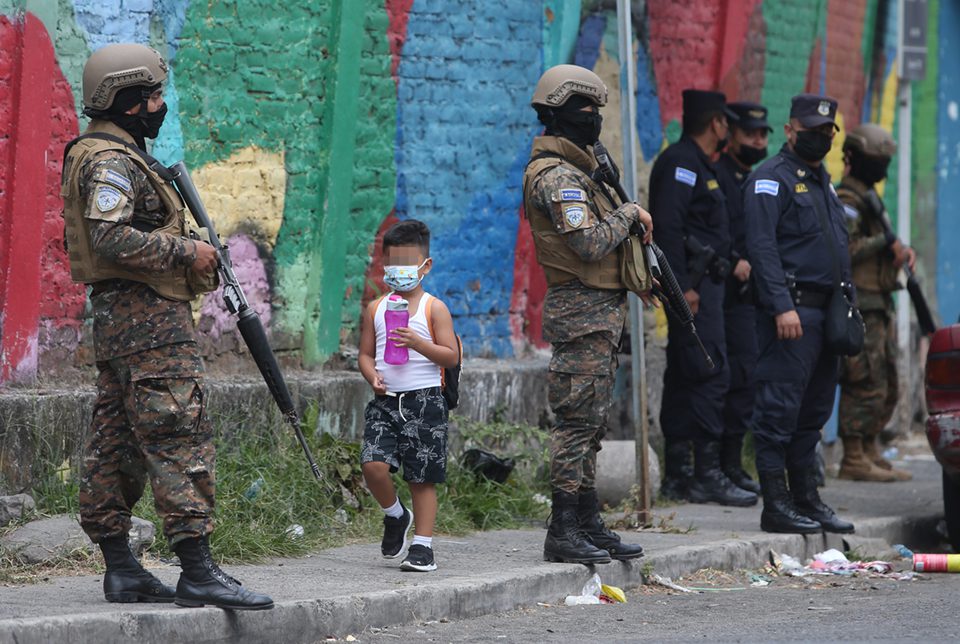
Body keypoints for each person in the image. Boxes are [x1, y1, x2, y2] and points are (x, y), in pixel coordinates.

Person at [64, 43, 273, 609]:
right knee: (179, 439)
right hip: (150, 329)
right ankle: (199, 571)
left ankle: (122, 569)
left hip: (125, 330)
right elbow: (109, 236)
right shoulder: (110, 161)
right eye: (151, 95)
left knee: (117, 444)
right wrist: (186, 253)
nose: (158, 105)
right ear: (127, 100)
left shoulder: (116, 156)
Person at [524, 64, 651, 564]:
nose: (593, 119)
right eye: (584, 110)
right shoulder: (556, 178)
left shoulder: (584, 171)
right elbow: (588, 242)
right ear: (555, 114)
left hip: (600, 313)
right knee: (575, 424)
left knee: (593, 425)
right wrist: (629, 213)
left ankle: (587, 520)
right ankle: (562, 528)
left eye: (597, 109)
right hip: (580, 314)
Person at [743, 93, 855, 534]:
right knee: (778, 411)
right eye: (812, 131)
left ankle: (807, 499)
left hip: (825, 317)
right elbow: (762, 247)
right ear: (790, 130)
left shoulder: (821, 179)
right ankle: (776, 503)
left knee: (813, 413)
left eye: (828, 132)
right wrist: (781, 305)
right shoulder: (770, 180)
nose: (822, 138)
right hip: (791, 314)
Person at [648, 89, 757, 507]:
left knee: (687, 374)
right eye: (726, 122)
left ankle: (681, 475)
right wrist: (683, 288)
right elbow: (668, 232)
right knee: (711, 373)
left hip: (708, 288)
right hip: (693, 289)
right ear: (717, 124)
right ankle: (705, 474)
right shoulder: (680, 164)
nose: (729, 129)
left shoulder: (699, 165)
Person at [359, 220, 459, 572]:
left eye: (407, 263)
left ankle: (423, 545)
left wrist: (420, 345)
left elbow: (451, 356)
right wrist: (372, 376)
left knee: (422, 476)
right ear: (384, 266)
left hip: (425, 402)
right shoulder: (377, 309)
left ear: (425, 266)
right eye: (393, 264)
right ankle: (395, 515)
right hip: (386, 403)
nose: (399, 272)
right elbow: (366, 354)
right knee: (372, 465)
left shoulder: (434, 309)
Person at [836, 124, 915, 482]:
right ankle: (853, 456)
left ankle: (869, 448)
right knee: (863, 379)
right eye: (876, 160)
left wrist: (897, 250)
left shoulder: (868, 196)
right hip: (860, 303)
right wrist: (885, 241)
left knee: (886, 381)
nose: (881, 167)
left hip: (878, 302)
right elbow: (846, 250)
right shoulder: (849, 200)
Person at [713, 101, 772, 495]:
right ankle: (718, 465)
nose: (758, 140)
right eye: (750, 133)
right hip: (724, 294)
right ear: (730, 133)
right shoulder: (717, 176)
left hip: (752, 299)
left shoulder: (757, 178)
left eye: (763, 134)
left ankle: (733, 463)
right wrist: (735, 259)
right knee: (726, 377)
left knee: (748, 378)